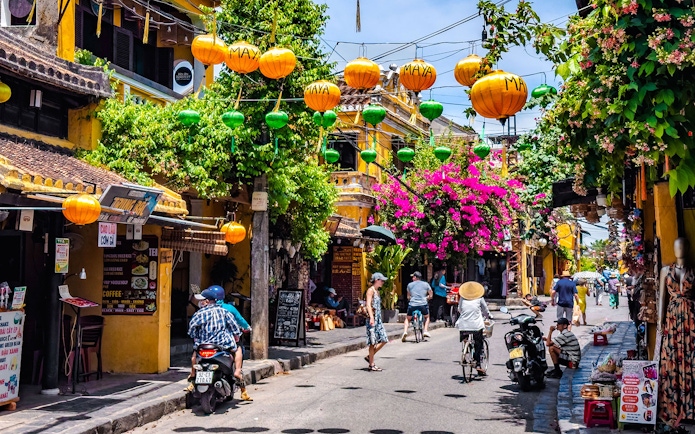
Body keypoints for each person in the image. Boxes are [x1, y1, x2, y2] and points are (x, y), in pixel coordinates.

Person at [188, 287, 251, 400]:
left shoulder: (199, 313)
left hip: (203, 346)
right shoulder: (225, 311)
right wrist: (238, 333)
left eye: (202, 300)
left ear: (207, 301)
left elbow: (191, 330)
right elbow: (236, 327)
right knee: (238, 350)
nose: (200, 302)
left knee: (194, 354)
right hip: (222, 345)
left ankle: (193, 374)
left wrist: (198, 338)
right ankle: (237, 371)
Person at [455, 281, 492, 375]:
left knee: (465, 338)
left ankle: (465, 352)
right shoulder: (480, 299)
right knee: (478, 343)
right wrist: (489, 316)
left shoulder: (462, 299)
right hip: (476, 325)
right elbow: (485, 311)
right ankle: (478, 364)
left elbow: (459, 309)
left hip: (463, 325)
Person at [365, 272, 389, 371]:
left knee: (384, 339)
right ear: (376, 280)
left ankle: (370, 357)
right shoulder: (370, 291)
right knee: (372, 341)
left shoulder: (377, 291)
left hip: (378, 319)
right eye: (381, 280)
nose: (383, 282)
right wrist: (371, 317)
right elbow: (368, 305)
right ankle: (371, 364)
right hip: (372, 319)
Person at [401, 271, 433, 342]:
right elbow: (431, 294)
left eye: (413, 277)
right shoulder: (426, 284)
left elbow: (408, 296)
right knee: (427, 317)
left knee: (408, 318)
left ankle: (405, 331)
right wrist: (428, 297)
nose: (412, 278)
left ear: (415, 277)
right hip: (423, 304)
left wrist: (410, 299)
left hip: (412, 304)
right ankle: (425, 330)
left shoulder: (409, 285)